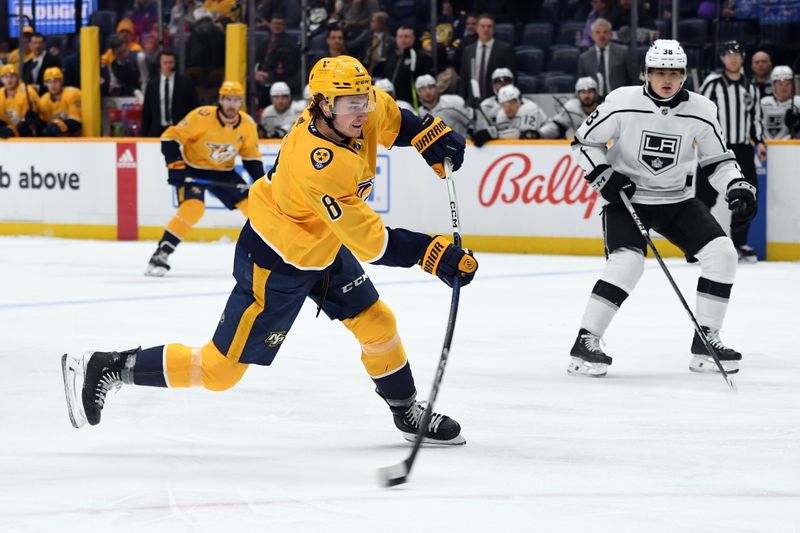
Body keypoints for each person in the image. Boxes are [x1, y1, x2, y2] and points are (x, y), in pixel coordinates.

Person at [61, 56, 478, 447]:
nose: (362, 111)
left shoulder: (361, 108)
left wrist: (427, 133)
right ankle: (110, 366)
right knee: (218, 370)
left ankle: (405, 412)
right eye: (351, 104)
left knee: (377, 322)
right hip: (276, 259)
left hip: (322, 245)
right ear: (323, 106)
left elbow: (394, 119)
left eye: (363, 99)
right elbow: (372, 243)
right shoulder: (317, 163)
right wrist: (433, 254)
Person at [568, 39, 755, 378]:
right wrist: (602, 174)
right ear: (646, 73)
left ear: (684, 75)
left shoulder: (702, 109)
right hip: (627, 200)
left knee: (723, 253)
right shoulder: (621, 102)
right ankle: (586, 340)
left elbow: (718, 160)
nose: (666, 79)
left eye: (674, 72)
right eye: (658, 72)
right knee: (627, 264)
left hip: (677, 200)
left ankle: (706, 340)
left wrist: (736, 185)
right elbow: (583, 143)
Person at [144, 81, 261, 276]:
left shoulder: (247, 124)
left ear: (241, 102)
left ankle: (270, 256)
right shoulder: (201, 117)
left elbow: (250, 157)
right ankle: (161, 253)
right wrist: (175, 166)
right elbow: (170, 137)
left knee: (256, 207)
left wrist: (261, 181)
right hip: (194, 170)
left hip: (225, 171)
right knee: (193, 208)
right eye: (228, 100)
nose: (232, 105)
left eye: (236, 100)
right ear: (220, 100)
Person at [697, 41, 765, 264]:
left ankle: (739, 243)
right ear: (722, 59)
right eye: (728, 54)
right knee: (704, 197)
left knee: (747, 195)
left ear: (743, 58)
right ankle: (699, 243)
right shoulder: (712, 83)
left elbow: (755, 118)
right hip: (716, 149)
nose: (733, 58)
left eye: (737, 54)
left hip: (744, 149)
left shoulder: (750, 86)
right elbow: (700, 112)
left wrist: (760, 141)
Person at [457, 13, 517, 102]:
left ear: (494, 30)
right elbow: (464, 79)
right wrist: (462, 101)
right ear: (477, 29)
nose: (486, 29)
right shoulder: (468, 51)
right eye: (482, 26)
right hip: (473, 103)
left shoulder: (504, 50)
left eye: (489, 26)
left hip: (497, 102)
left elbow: (511, 78)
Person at [373, 26, 434, 108]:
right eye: (400, 37)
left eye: (406, 36)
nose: (403, 40)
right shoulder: (391, 56)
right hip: (390, 102)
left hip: (411, 104)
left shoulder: (420, 57)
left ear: (413, 38)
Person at [576, 18, 638, 98]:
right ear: (592, 35)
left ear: (611, 34)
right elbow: (581, 85)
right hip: (595, 104)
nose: (601, 35)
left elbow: (634, 79)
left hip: (621, 100)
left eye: (605, 32)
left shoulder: (623, 52)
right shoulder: (584, 58)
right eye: (598, 32)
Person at [142, 51, 198, 137]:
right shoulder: (152, 85)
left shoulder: (186, 83)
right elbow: (147, 111)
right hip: (158, 131)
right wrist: (144, 136)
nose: (168, 65)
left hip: (180, 130)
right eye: (165, 62)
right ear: (160, 64)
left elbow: (194, 107)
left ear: (175, 63)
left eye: (171, 62)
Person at [0, 63, 42, 138]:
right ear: (1, 79)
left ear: (17, 78)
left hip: (25, 131)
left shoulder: (28, 91)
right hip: (7, 129)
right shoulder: (0, 93)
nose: (9, 80)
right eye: (6, 77)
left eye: (12, 77)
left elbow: (32, 119)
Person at [38, 67, 82, 137]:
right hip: (57, 141)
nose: (53, 85)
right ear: (45, 84)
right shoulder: (43, 101)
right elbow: (44, 127)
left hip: (77, 140)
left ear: (62, 81)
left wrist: (59, 126)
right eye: (49, 82)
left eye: (56, 81)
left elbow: (77, 123)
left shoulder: (72, 94)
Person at [760, 66, 800, 140]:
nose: (784, 87)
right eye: (780, 84)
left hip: (791, 147)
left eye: (787, 84)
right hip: (766, 147)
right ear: (773, 86)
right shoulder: (763, 103)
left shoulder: (797, 103)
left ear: (793, 86)